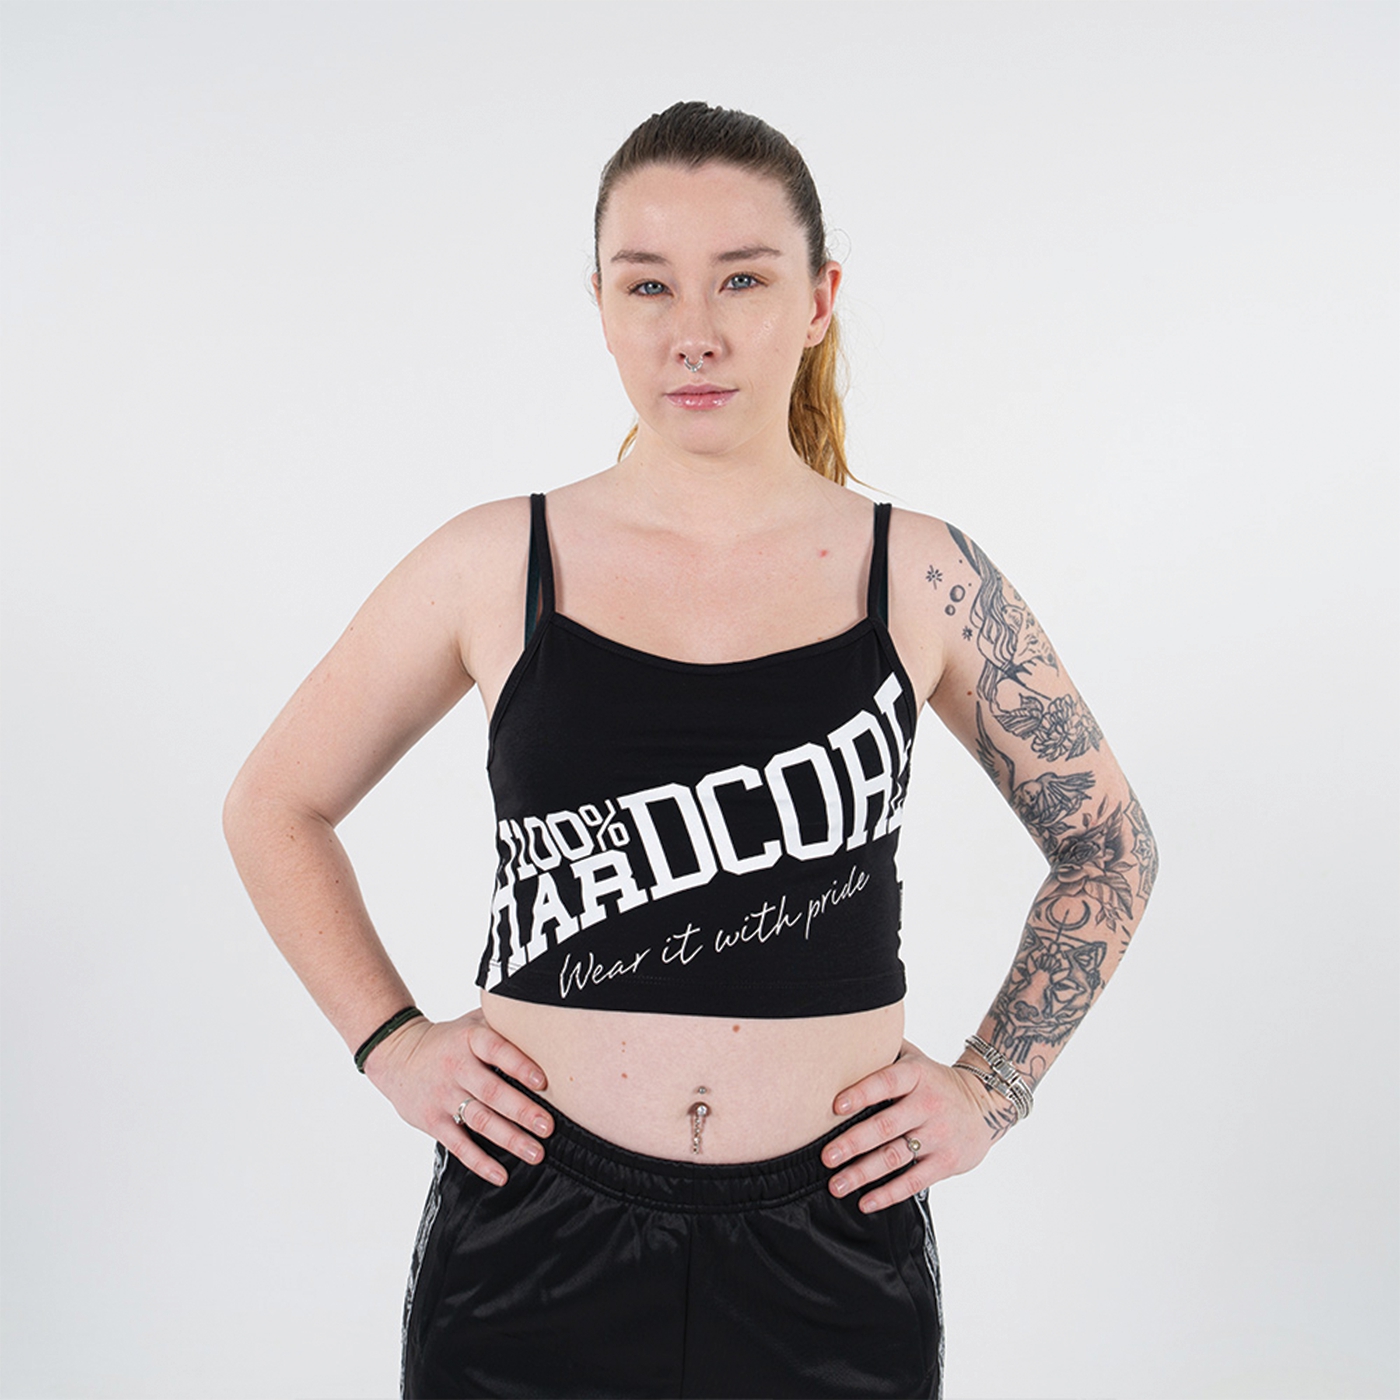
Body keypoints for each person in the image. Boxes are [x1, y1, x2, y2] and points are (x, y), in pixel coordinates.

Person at [224, 101, 1157, 1400]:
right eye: (648, 283)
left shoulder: (921, 573)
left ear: (819, 301)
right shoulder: (494, 563)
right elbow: (275, 803)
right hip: (532, 1236)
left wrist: (993, 1088)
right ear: (602, 306)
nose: (695, 330)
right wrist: (391, 1044)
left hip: (832, 1246)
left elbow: (1107, 843)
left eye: (744, 279)